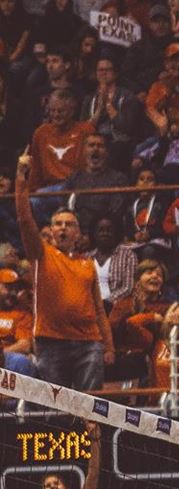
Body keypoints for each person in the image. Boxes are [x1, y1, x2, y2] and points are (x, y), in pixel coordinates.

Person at [13, 155, 112, 391]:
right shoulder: (41, 254)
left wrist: (109, 346)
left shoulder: (87, 263)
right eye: (58, 224)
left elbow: (98, 308)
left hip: (89, 343)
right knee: (56, 411)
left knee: (90, 408)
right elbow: (25, 221)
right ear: (51, 230)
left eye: (69, 224)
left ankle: (89, 430)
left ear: (78, 232)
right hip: (51, 342)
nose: (63, 228)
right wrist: (20, 180)